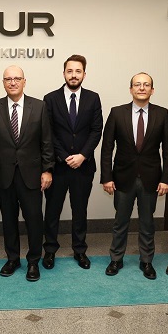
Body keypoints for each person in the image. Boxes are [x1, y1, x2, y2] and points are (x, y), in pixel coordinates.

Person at [0, 65, 54, 282]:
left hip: (32, 175)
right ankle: (12, 258)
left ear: (24, 81)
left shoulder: (39, 106)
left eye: (17, 78)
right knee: (8, 219)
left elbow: (47, 141)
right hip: (3, 175)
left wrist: (47, 170)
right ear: (3, 82)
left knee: (34, 219)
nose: (12, 82)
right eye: (8, 79)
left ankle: (33, 261)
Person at [100, 73, 168, 279]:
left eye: (146, 84)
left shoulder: (162, 114)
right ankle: (116, 259)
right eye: (137, 84)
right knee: (120, 222)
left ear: (152, 90)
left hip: (151, 179)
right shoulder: (117, 113)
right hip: (123, 178)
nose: (142, 88)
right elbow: (107, 148)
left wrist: (166, 179)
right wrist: (107, 177)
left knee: (147, 223)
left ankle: (146, 261)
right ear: (131, 89)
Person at [42, 54, 103, 270]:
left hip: (83, 166)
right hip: (57, 166)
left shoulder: (93, 98)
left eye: (78, 71)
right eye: (70, 71)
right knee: (52, 211)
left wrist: (82, 155)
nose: (74, 75)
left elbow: (96, 130)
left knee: (80, 211)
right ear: (64, 73)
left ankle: (80, 250)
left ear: (84, 74)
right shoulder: (50, 99)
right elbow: (47, 132)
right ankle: (50, 250)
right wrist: (63, 156)